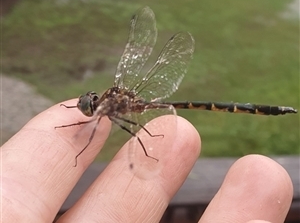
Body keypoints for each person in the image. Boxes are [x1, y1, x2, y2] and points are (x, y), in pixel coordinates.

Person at [1, 98, 293, 223]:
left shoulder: (108, 111)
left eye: (88, 104)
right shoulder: (109, 107)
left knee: (139, 139)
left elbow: (88, 135)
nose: (86, 105)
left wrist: (78, 150)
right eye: (88, 102)